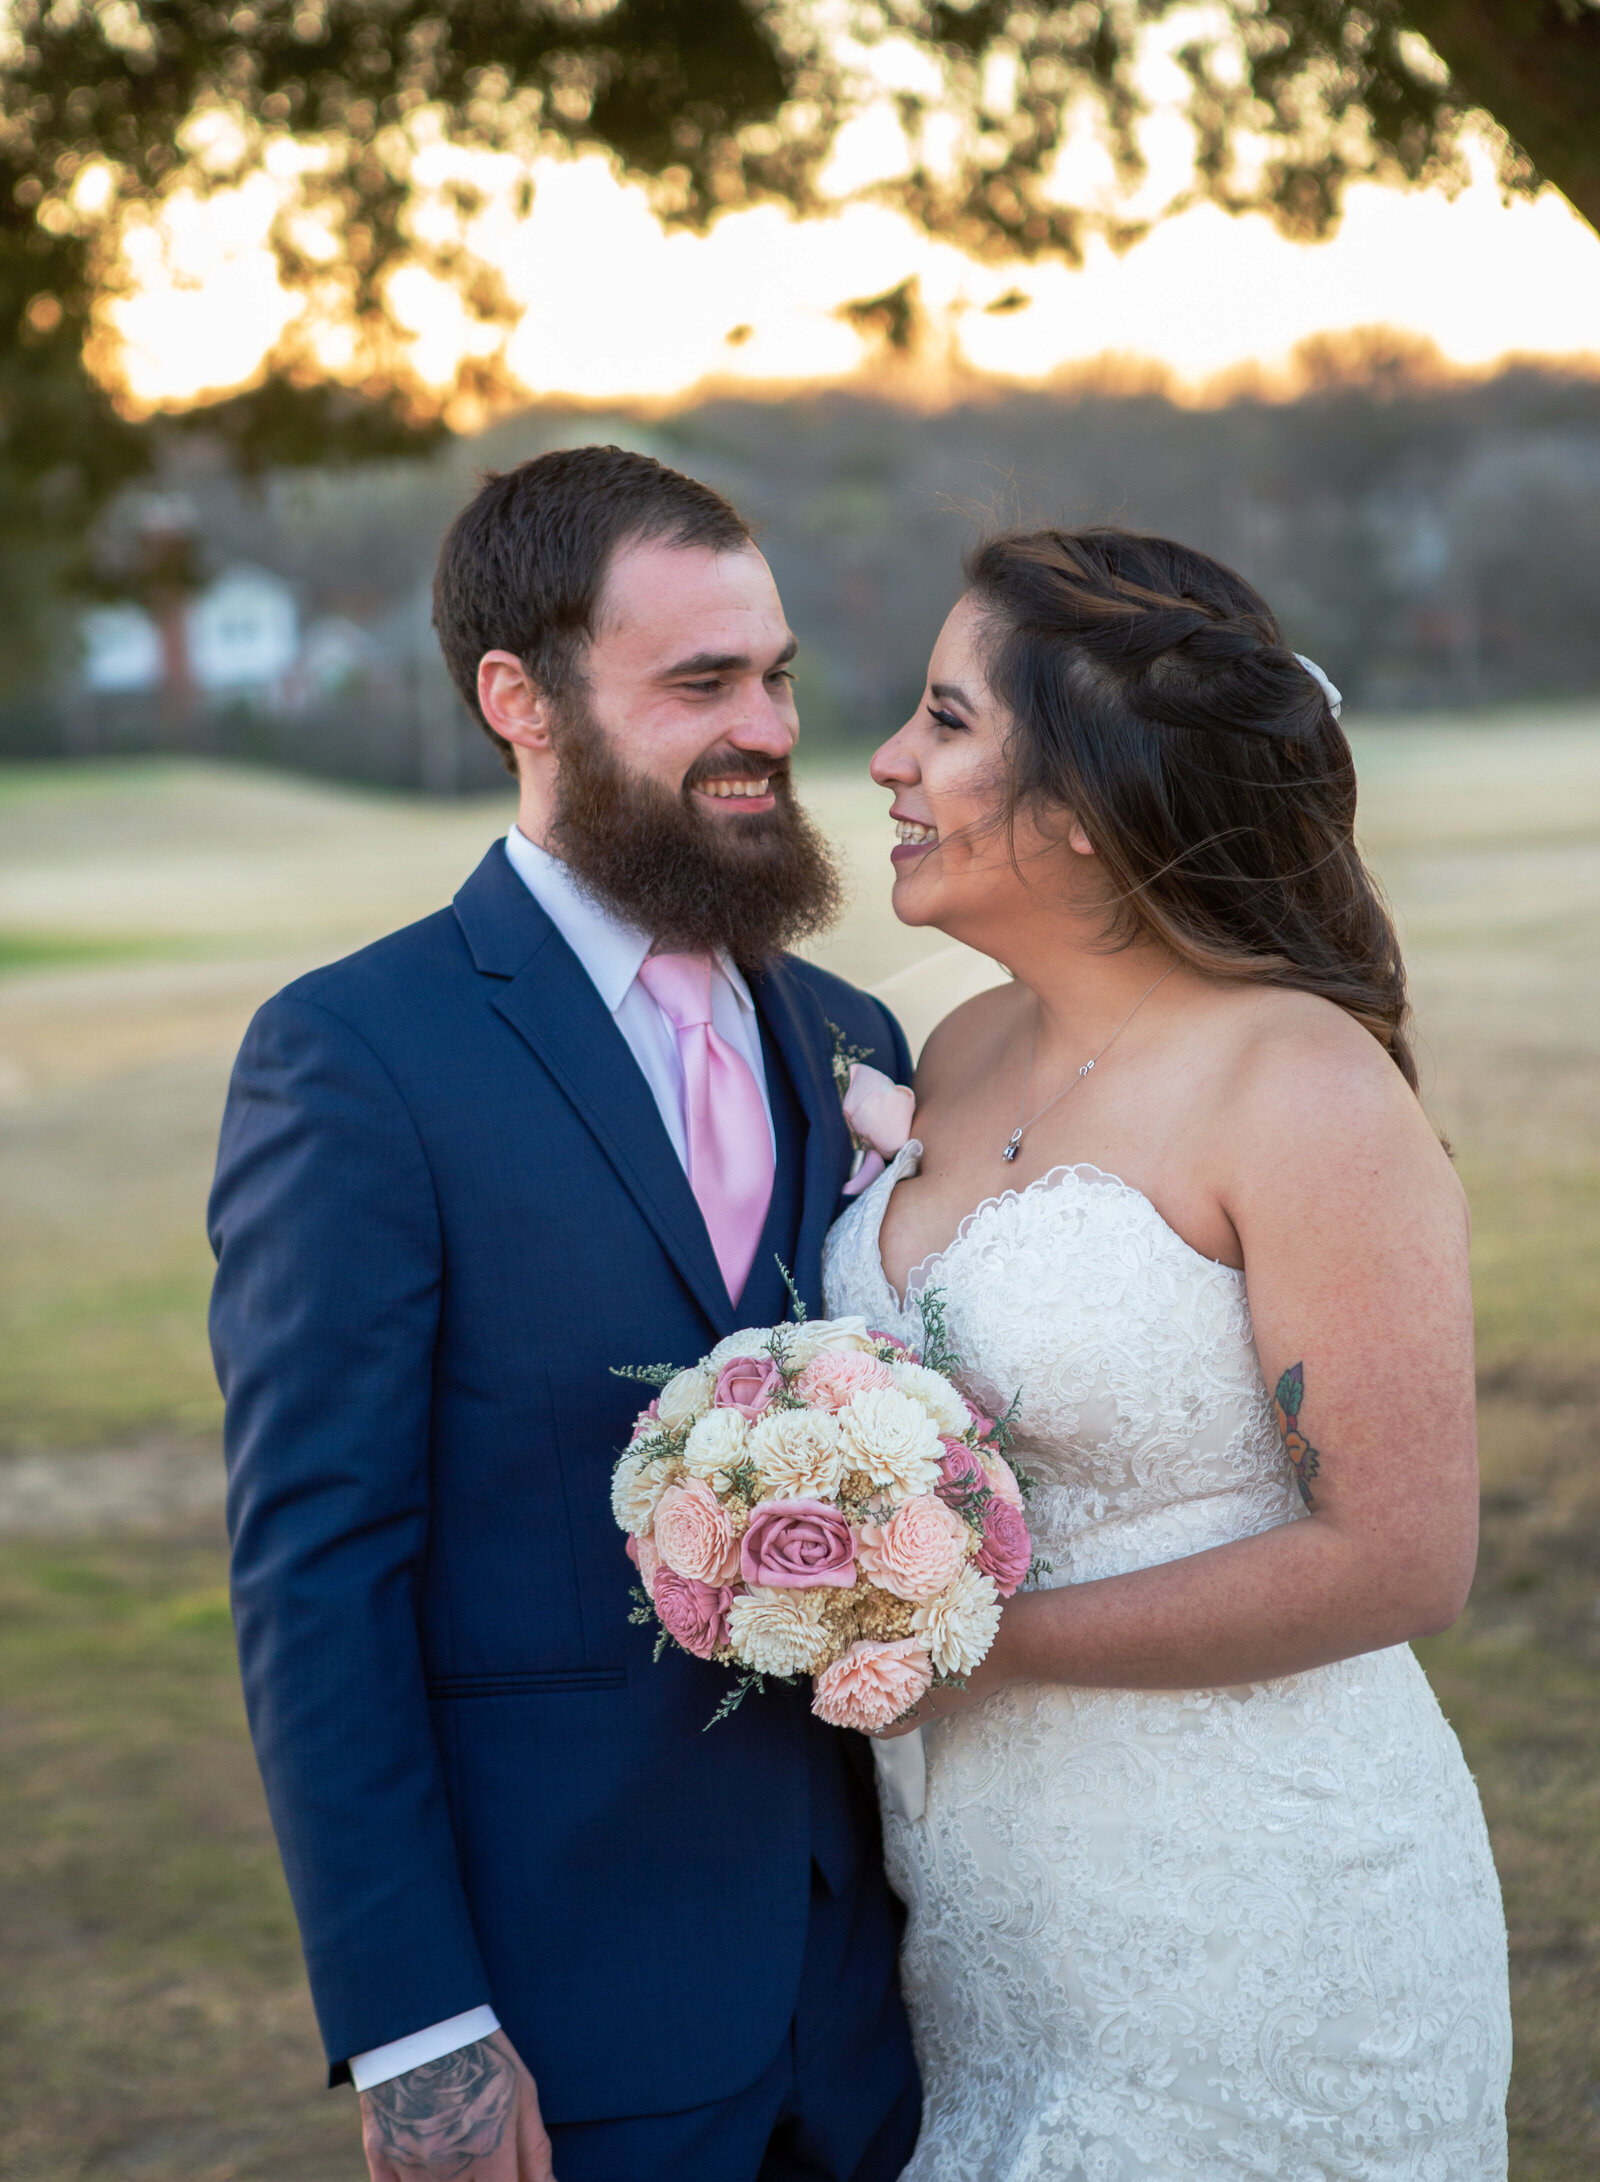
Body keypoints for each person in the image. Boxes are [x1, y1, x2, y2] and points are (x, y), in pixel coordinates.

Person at [209, 446, 921, 2182]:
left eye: (775, 676)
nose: (763, 726)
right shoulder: (359, 1056)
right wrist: (418, 2027)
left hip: (875, 1996)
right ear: (516, 698)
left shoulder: (856, 1040)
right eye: (699, 684)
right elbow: (321, 1571)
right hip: (567, 2009)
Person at [822, 525, 1512, 2178]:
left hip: (1261, 1918)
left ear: (1081, 805)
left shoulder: (1298, 1081)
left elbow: (1404, 1556)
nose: (888, 759)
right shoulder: (960, 1041)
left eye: (947, 719)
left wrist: (978, 1646)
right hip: (987, 1928)